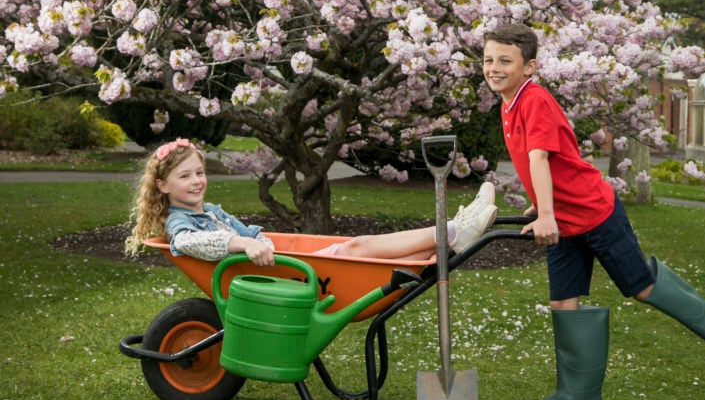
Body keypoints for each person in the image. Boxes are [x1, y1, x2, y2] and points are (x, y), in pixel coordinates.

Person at [482, 22, 705, 400]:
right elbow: (552, 161)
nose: (494, 68)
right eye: (488, 60)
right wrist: (542, 207)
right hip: (565, 221)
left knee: (641, 286)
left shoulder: (533, 99)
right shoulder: (509, 103)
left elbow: (539, 157)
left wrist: (547, 215)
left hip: (594, 213)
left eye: (505, 60)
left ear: (530, 66)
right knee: (563, 302)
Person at [125, 138, 497, 265]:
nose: (196, 181)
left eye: (199, 172)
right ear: (162, 185)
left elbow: (253, 237)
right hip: (285, 279)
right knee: (357, 247)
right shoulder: (181, 223)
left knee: (384, 262)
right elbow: (188, 243)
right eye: (184, 176)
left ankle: (448, 242)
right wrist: (242, 244)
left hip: (285, 269)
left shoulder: (210, 212)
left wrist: (254, 242)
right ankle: (453, 231)